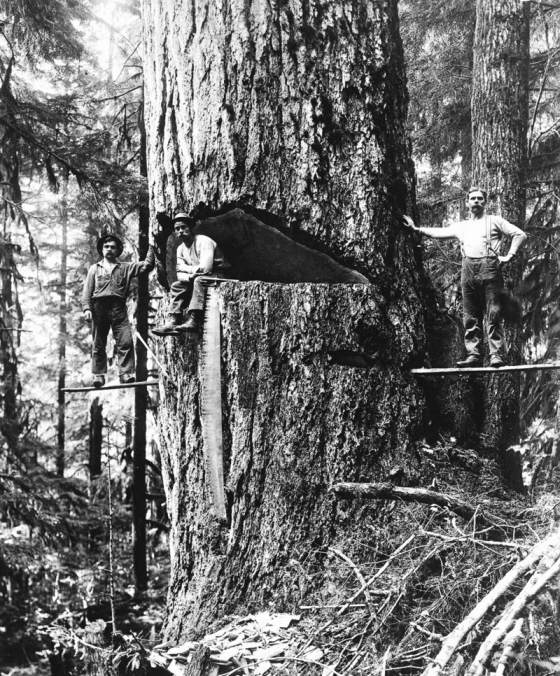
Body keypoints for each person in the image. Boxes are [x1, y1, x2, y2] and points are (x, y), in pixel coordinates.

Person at [404, 187, 527, 368]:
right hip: (467, 269)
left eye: (479, 198)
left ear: (485, 202)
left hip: (490, 269)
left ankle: (495, 355)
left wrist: (509, 255)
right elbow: (440, 232)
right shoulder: (462, 226)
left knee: (493, 313)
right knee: (470, 314)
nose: (476, 201)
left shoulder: (494, 221)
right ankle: (474, 354)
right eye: (473, 199)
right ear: (467, 203)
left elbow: (520, 234)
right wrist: (417, 229)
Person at [82, 234, 154, 387]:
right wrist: (87, 309)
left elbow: (147, 265)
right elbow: (87, 291)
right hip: (98, 308)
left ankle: (126, 374)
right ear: (102, 250)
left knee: (125, 340)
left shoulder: (126, 267)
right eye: (106, 247)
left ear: (118, 250)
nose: (109, 249)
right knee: (98, 343)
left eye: (113, 247)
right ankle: (98, 375)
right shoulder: (94, 269)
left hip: (118, 307)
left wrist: (152, 247)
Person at [152, 213, 231, 336]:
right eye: (177, 229)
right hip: (197, 277)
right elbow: (179, 275)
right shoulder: (180, 249)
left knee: (199, 280)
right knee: (176, 286)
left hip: (218, 274)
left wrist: (186, 268)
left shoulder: (203, 241)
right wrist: (190, 274)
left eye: (184, 227)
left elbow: (206, 268)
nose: (181, 231)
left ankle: (194, 319)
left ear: (190, 227)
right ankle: (174, 320)